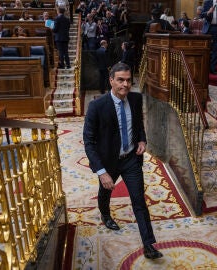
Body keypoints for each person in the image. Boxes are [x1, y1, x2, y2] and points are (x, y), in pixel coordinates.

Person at [83, 62, 163, 260]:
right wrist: (101, 172)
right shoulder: (96, 106)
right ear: (111, 80)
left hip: (131, 160)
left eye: (128, 80)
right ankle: (106, 215)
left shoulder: (135, 99)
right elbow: (89, 141)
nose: (125, 84)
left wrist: (142, 139)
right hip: (108, 161)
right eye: (120, 80)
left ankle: (148, 244)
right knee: (105, 191)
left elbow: (138, 124)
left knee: (139, 200)